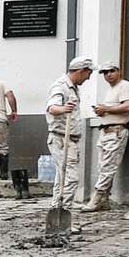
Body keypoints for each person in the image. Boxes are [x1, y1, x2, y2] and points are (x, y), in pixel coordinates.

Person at [45, 56, 93, 209]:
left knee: (62, 176)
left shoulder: (72, 87)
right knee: (71, 177)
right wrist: (64, 109)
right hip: (60, 139)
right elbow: (52, 108)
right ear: (80, 71)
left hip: (69, 139)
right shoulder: (60, 86)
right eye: (88, 73)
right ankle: (64, 211)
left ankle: (56, 209)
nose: (89, 77)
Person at [87, 62, 129, 211]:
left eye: (111, 71)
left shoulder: (125, 86)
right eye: (104, 72)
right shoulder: (111, 89)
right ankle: (104, 199)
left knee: (108, 167)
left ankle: (96, 198)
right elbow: (113, 108)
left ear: (118, 71)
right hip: (105, 130)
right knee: (102, 167)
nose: (108, 74)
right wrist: (101, 111)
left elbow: (128, 106)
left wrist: (106, 109)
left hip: (117, 130)